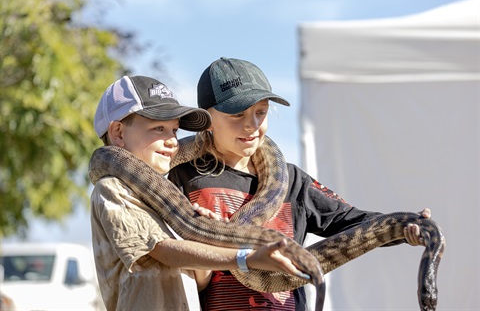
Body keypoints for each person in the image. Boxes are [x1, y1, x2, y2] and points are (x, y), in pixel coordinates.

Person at [168, 57, 431, 310]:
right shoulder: (183, 177)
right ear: (207, 119)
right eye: (237, 115)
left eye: (261, 112)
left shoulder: (293, 181)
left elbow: (353, 222)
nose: (253, 125)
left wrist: (403, 227)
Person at [89, 75, 312, 311]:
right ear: (118, 133)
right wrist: (244, 258)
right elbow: (164, 251)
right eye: (159, 128)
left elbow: (199, 281)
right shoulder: (111, 189)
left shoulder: (163, 202)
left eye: (174, 131)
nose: (173, 142)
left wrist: (203, 234)